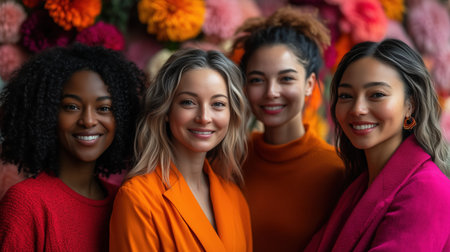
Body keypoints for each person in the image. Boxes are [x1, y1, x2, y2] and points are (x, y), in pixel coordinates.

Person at [305, 39, 450, 251]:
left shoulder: (428, 189)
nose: (357, 109)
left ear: (411, 104)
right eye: (346, 96)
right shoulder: (357, 184)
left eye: (377, 95)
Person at [0, 44, 146, 251]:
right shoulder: (25, 203)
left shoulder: (123, 200)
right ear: (46, 113)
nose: (88, 121)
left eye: (104, 108)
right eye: (72, 107)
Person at [109, 49, 252, 252]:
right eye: (188, 102)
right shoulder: (138, 198)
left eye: (218, 104)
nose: (204, 117)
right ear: (166, 110)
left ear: (231, 114)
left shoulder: (235, 198)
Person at [233, 7, 345, 251]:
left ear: (309, 85)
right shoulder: (231, 158)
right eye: (257, 80)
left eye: (286, 79)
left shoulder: (337, 170)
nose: (271, 92)